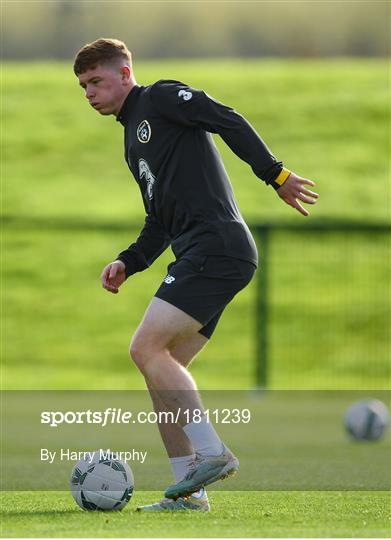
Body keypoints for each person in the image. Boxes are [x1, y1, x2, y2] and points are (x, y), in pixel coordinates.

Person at [74, 38, 318, 512]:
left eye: (96, 81)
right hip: (203, 252)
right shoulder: (131, 140)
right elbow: (160, 220)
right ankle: (190, 494)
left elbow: (227, 119)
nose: (88, 93)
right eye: (83, 86)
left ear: (125, 74)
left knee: (144, 347)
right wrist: (130, 260)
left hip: (217, 245)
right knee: (159, 368)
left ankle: (213, 453)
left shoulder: (160, 98)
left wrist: (278, 176)